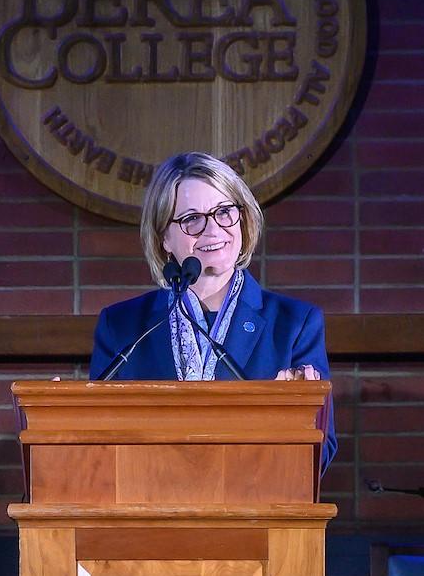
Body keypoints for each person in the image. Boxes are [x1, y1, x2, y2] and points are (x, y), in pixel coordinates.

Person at [90, 152, 336, 470]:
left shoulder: (295, 324)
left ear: (242, 219)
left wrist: (292, 420)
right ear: (164, 237)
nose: (213, 230)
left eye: (223, 212)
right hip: (148, 497)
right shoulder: (121, 326)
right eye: (192, 219)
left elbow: (321, 454)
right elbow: (97, 444)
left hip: (254, 499)